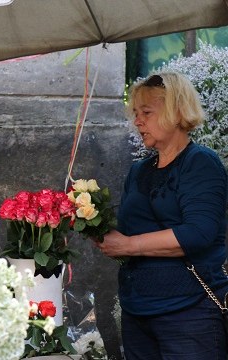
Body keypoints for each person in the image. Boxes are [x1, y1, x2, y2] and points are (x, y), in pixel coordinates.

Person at [96, 71, 228, 359]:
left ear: (177, 111)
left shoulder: (200, 163)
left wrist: (129, 245)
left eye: (146, 112)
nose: (138, 121)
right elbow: (128, 232)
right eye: (136, 113)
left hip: (189, 312)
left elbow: (198, 234)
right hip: (137, 310)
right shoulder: (138, 170)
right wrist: (89, 220)